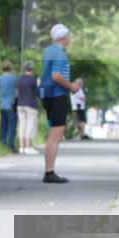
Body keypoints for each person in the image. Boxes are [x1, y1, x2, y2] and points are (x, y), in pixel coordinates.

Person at [39, 24, 82, 183]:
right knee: (56, 135)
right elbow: (56, 76)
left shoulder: (48, 51)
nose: (70, 38)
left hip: (46, 94)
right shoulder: (59, 53)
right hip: (56, 95)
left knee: (51, 135)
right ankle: (49, 172)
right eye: (69, 36)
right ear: (63, 38)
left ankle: (48, 170)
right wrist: (71, 86)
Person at [16, 62, 40, 154]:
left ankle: (21, 147)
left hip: (20, 104)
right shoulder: (34, 80)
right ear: (32, 69)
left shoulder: (19, 79)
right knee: (30, 126)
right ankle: (28, 147)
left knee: (22, 125)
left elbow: (17, 91)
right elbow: (37, 93)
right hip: (31, 104)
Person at [0, 60, 18, 153]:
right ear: (10, 68)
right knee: (12, 125)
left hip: (2, 104)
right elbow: (17, 92)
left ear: (2, 68)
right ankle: (11, 145)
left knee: (3, 125)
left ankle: (2, 143)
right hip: (11, 104)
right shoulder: (14, 79)